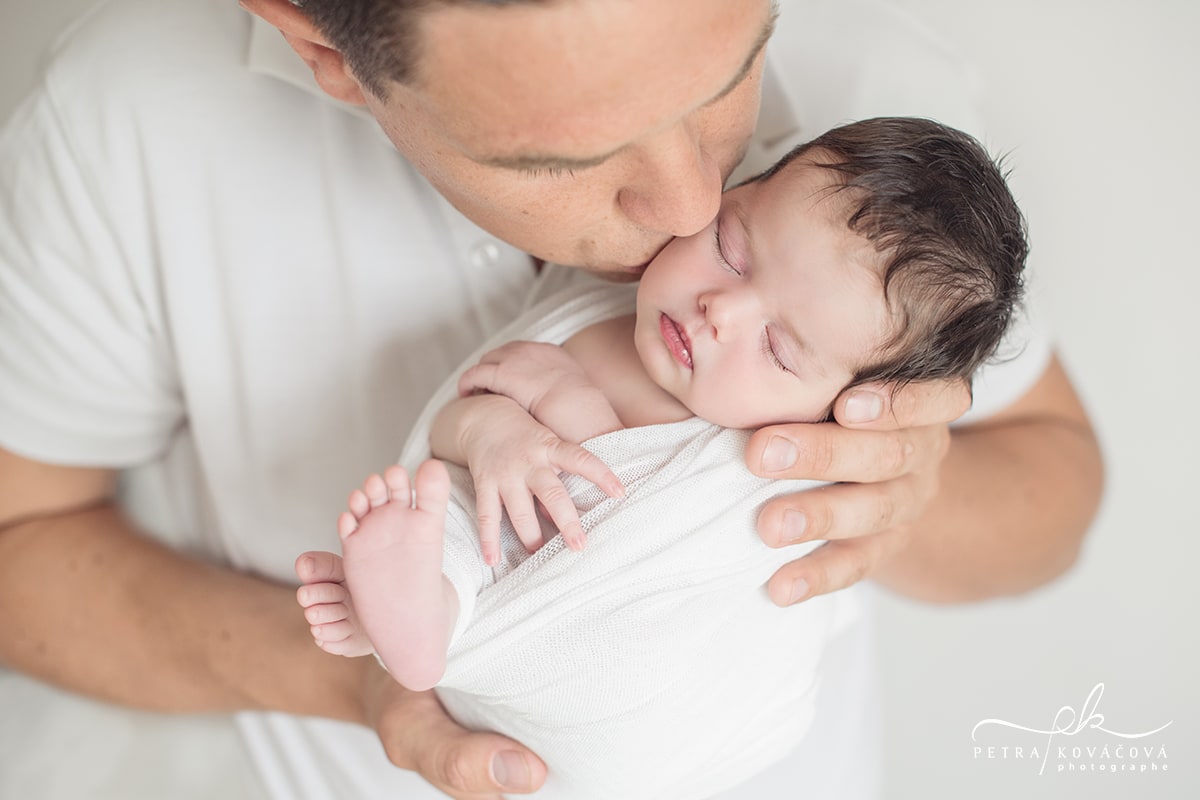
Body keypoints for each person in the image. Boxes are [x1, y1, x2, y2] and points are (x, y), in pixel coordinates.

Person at [0, 0, 1103, 798]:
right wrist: (354, 683)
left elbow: (1058, 483)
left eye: (731, 83)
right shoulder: (124, 125)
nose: (690, 199)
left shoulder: (884, 165)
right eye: (554, 158)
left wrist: (873, 503)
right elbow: (19, 541)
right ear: (323, 49)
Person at [295, 117, 1029, 799]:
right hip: (517, 628)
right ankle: (417, 615)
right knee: (444, 505)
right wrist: (491, 433)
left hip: (662, 694)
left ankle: (418, 613)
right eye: (733, 249)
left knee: (469, 520)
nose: (721, 310)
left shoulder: (776, 456)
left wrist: (562, 408)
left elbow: (618, 514)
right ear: (740, 187)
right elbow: (460, 420)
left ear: (846, 407)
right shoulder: (590, 314)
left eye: (778, 348)